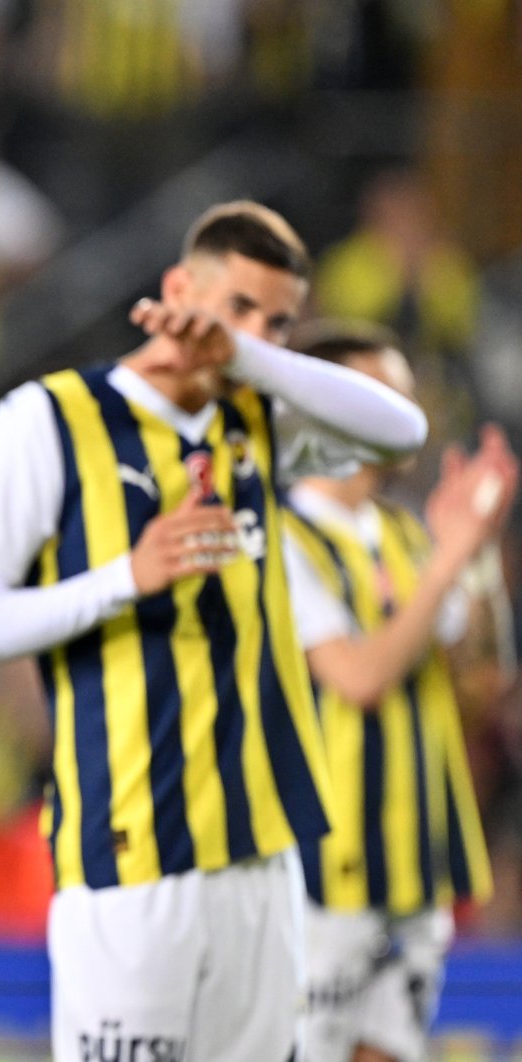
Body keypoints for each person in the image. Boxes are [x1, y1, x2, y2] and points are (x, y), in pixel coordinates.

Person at [0, 201, 431, 1061]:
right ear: (177, 290)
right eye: (239, 308)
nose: (257, 335)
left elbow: (401, 427)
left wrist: (245, 355)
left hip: (264, 849)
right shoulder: (48, 418)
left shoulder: (260, 418)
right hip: (131, 850)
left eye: (279, 323)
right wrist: (127, 576)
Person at [281, 323, 515, 1062]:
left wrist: (474, 558)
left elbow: (483, 682)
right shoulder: (282, 539)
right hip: (324, 873)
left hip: (417, 864)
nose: (409, 417)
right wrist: (450, 562)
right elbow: (357, 677)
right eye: (384, 397)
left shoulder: (409, 536)